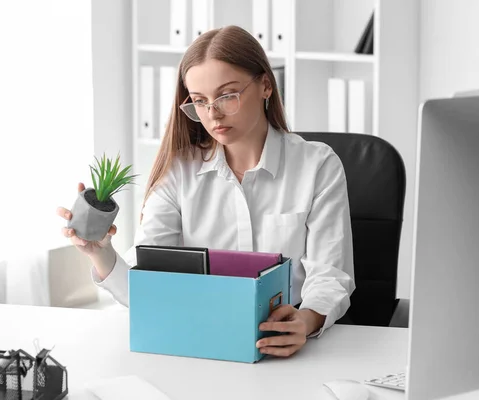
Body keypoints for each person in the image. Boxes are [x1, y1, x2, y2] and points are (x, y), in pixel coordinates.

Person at [57, 25, 355, 358]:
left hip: (285, 345)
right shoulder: (179, 171)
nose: (212, 114)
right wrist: (100, 252)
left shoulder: (317, 164)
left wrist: (306, 319)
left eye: (227, 95)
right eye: (199, 101)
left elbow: (330, 275)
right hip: (198, 340)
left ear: (266, 85)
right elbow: (147, 288)